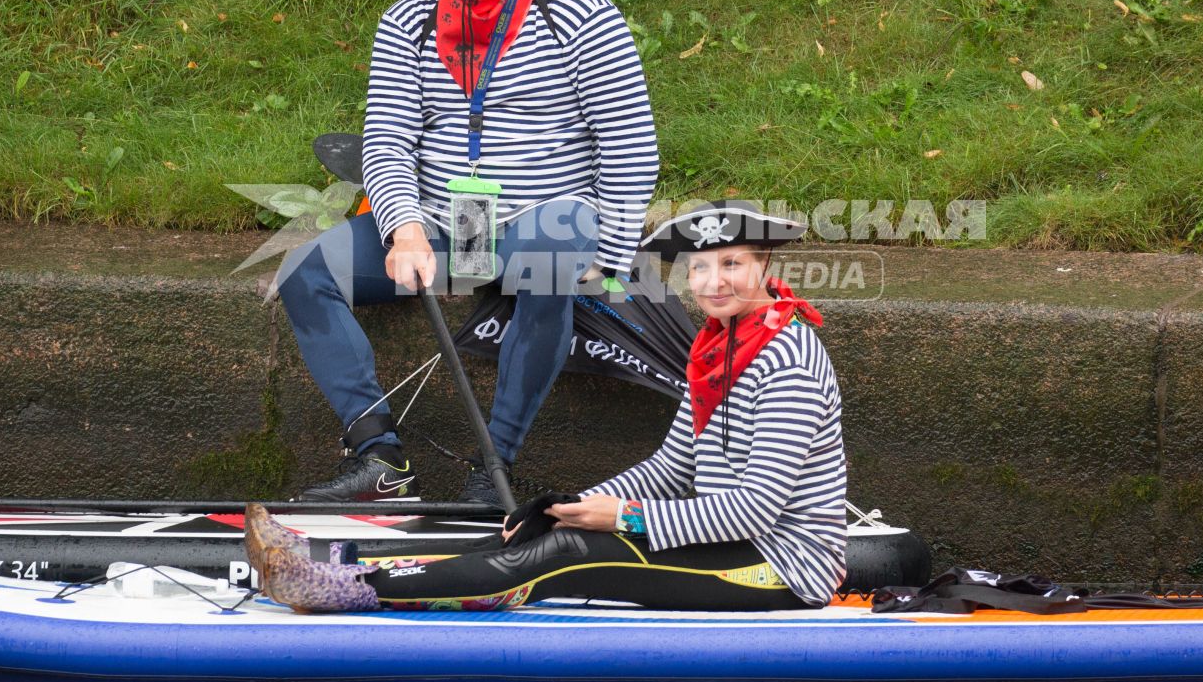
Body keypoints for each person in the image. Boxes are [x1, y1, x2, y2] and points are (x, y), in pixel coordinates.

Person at [274, 0, 659, 504]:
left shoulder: (581, 13)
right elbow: (387, 143)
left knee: (552, 248)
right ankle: (379, 458)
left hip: (540, 224)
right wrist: (404, 230)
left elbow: (629, 144)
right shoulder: (405, 21)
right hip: (443, 228)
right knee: (304, 274)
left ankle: (496, 467)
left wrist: (614, 256)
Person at [247, 202, 848, 612]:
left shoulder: (785, 359)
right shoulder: (718, 348)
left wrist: (622, 519)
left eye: (732, 265)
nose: (714, 282)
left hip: (783, 566)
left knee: (563, 555)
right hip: (730, 543)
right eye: (700, 268)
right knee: (542, 528)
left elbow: (756, 509)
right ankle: (325, 561)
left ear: (766, 268)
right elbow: (672, 469)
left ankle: (351, 591)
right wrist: (577, 506)